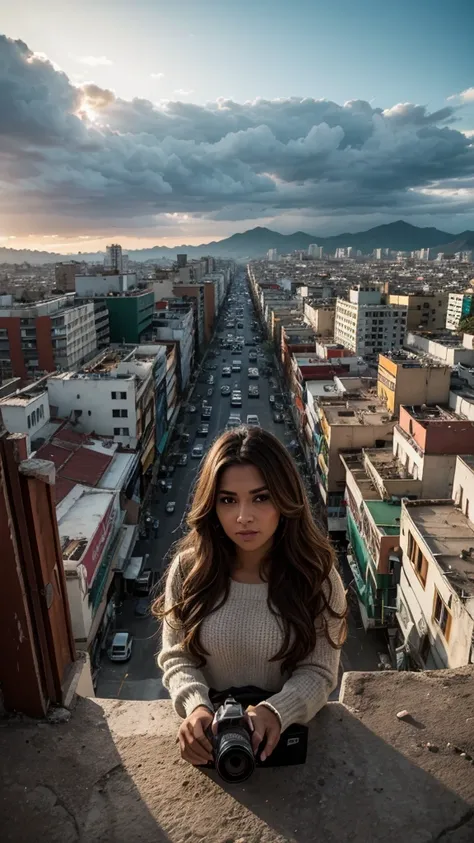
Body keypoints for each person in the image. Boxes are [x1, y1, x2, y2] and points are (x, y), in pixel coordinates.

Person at [154, 426, 347, 768]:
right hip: (215, 743)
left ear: (285, 499)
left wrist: (277, 711)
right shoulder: (190, 570)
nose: (244, 517)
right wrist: (197, 706)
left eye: (261, 497)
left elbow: (319, 671)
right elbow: (177, 657)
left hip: (284, 746)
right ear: (212, 506)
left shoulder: (316, 576)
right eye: (228, 500)